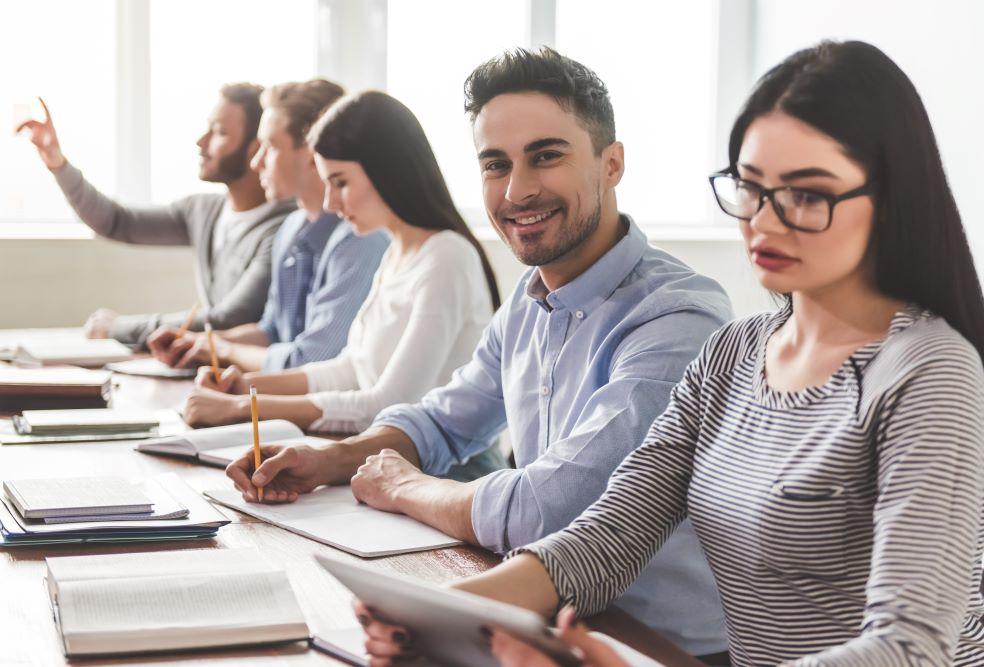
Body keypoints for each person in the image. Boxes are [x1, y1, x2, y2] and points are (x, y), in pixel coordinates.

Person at [359, 41, 984, 666]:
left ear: (890, 196)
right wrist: (436, 616)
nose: (764, 222)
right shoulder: (734, 354)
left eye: (806, 193)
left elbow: (909, 648)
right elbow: (608, 536)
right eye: (751, 188)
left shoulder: (929, 372)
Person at [226, 49, 733, 660]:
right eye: (496, 165)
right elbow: (444, 418)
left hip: (647, 646)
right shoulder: (529, 297)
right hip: (537, 620)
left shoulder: (680, 316)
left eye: (546, 156)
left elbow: (550, 508)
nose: (517, 190)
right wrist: (330, 460)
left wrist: (408, 487)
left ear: (612, 163)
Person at [183, 90, 503, 449]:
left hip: (444, 473)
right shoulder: (397, 252)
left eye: (340, 183)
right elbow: (351, 370)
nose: (330, 203)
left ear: (386, 171)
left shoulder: (446, 258)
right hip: (377, 456)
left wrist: (242, 407)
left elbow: (385, 406)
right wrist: (247, 385)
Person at [16, 85, 295, 348]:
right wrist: (58, 163)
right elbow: (116, 222)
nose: (201, 141)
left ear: (256, 147)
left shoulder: (285, 228)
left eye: (219, 132)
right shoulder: (202, 210)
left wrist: (119, 327)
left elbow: (231, 317)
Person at [147, 79, 388, 372]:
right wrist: (201, 342)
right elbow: (271, 331)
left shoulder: (360, 239)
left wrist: (223, 348)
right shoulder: (290, 229)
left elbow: (313, 361)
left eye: (270, 147)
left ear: (313, 153)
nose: (256, 163)